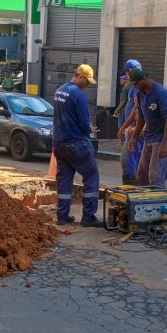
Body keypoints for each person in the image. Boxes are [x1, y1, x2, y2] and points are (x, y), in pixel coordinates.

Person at [52, 64, 101, 227]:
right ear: (79, 76)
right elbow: (82, 121)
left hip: (59, 143)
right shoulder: (78, 95)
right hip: (76, 143)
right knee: (91, 175)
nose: (87, 85)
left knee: (64, 180)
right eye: (87, 81)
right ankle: (88, 217)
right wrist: (89, 129)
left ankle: (62, 216)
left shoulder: (60, 90)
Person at [127, 69, 167, 188]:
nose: (135, 87)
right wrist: (134, 137)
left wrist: (164, 144)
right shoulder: (140, 94)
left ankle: (158, 202)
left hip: (163, 139)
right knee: (142, 173)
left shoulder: (161, 93)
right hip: (149, 138)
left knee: (155, 176)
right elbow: (141, 117)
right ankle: (145, 201)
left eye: (136, 84)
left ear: (144, 79)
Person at [117, 59, 144, 185]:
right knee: (132, 157)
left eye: (127, 73)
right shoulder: (134, 86)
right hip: (133, 129)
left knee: (129, 158)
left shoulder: (136, 86)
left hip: (135, 130)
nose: (126, 76)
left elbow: (136, 110)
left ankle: (131, 186)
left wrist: (126, 128)